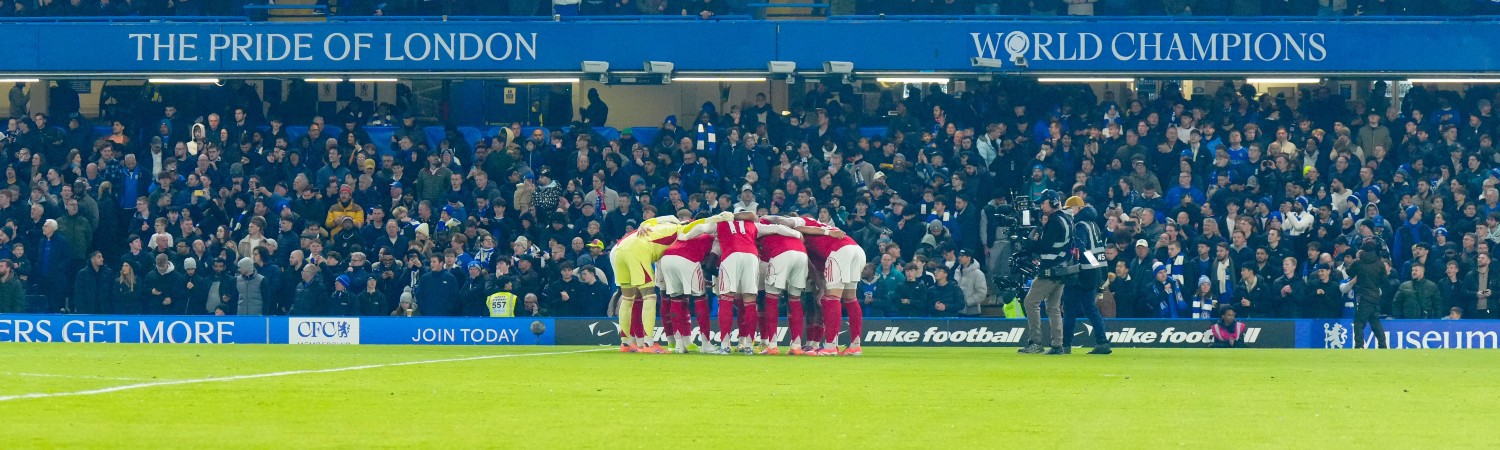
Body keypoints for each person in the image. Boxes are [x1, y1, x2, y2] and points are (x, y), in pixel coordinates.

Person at [682, 207, 802, 354]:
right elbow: (777, 228)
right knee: (750, 300)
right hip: (751, 257)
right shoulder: (753, 225)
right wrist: (797, 234)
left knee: (726, 298)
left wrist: (685, 237)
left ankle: (725, 345)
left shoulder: (721, 223)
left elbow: (701, 228)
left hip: (731, 255)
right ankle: (749, 346)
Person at [773, 214, 868, 356]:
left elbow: (788, 223)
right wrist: (821, 288)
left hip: (839, 251)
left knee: (832, 299)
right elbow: (816, 268)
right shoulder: (816, 233)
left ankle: (830, 347)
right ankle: (855, 346)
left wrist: (769, 219)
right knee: (850, 298)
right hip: (856, 249)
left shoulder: (803, 222)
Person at [1018, 190, 1072, 355]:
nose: (1041, 206)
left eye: (1044, 202)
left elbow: (1044, 246)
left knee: (1030, 302)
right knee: (1053, 308)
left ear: (1054, 202)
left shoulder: (1054, 221)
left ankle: (1035, 342)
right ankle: (1057, 345)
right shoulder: (1066, 218)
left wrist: (1032, 240)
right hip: (1062, 269)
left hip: (1050, 270)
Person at [658, 218, 715, 353]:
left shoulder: (679, 235)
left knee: (676, 299)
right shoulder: (710, 236)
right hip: (688, 259)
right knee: (700, 298)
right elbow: (712, 260)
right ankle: (706, 344)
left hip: (666, 259)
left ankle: (679, 345)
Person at [758, 215, 813, 354]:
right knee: (795, 300)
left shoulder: (757, 226)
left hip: (781, 253)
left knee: (771, 299)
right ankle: (796, 346)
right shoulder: (787, 226)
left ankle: (772, 346)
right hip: (801, 254)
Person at [1061, 200, 1110, 354]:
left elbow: (1081, 248)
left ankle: (1065, 344)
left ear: (1079, 208)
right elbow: (1097, 250)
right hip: (1093, 273)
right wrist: (1097, 268)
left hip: (1081, 273)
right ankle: (1102, 342)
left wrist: (1076, 261)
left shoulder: (1079, 225)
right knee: (1090, 309)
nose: (1069, 212)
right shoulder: (1093, 224)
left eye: (1070, 208)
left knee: (1069, 310)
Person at [1347, 239, 1390, 349]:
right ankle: (1383, 345)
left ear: (1363, 249)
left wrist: (1356, 258)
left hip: (1364, 296)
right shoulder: (1380, 263)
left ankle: (1359, 345)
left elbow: (1349, 272)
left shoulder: (1359, 262)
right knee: (1375, 321)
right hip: (1375, 296)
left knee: (1359, 322)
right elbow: (1385, 281)